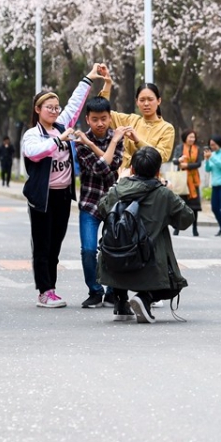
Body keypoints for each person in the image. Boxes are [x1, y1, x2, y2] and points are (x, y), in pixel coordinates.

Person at [22, 65, 97, 308]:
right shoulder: (33, 134)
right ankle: (45, 291)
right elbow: (33, 153)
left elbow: (75, 104)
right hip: (42, 198)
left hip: (63, 196)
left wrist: (89, 78)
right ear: (38, 110)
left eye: (56, 107)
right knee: (42, 245)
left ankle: (51, 289)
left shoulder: (62, 125)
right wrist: (58, 141)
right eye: (49, 107)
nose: (55, 111)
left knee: (55, 245)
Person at [97, 146, 193, 323]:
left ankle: (120, 302)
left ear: (132, 169)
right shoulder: (163, 194)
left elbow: (101, 208)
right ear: (158, 172)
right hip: (148, 265)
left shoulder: (119, 189)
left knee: (121, 248)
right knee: (174, 284)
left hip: (114, 262)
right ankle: (145, 297)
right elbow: (186, 219)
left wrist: (119, 184)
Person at [74, 97, 125, 309]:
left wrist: (110, 143)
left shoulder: (117, 137)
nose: (100, 123)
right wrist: (102, 145)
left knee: (112, 248)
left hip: (113, 203)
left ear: (109, 117)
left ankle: (112, 291)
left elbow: (114, 164)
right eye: (95, 119)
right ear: (88, 119)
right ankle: (95, 291)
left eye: (104, 118)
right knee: (88, 249)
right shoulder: (80, 142)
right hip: (90, 203)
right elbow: (102, 169)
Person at [98, 71, 175, 169]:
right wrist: (108, 84)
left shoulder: (167, 128)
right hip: (123, 176)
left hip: (149, 179)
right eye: (142, 100)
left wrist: (138, 141)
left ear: (159, 101)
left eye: (150, 99)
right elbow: (102, 112)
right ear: (137, 102)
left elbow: (162, 156)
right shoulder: (130, 120)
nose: (146, 104)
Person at [171, 129, 202, 236]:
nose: (192, 139)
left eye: (193, 137)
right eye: (190, 137)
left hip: (193, 181)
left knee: (194, 207)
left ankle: (195, 228)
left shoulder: (197, 149)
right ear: (185, 137)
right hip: (182, 181)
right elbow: (174, 161)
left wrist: (187, 166)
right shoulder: (179, 148)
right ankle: (177, 228)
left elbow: (198, 163)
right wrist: (180, 160)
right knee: (180, 205)